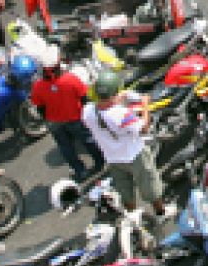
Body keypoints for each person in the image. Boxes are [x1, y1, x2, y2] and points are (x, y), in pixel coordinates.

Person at [82, 72, 174, 224]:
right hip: (135, 155)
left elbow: (91, 121)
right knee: (150, 186)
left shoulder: (88, 111)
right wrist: (145, 104)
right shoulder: (120, 114)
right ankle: (161, 212)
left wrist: (117, 99)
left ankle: (133, 219)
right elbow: (143, 127)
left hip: (113, 158)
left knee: (125, 191)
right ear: (113, 94)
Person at [31, 47, 103, 179]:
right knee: (88, 141)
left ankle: (80, 171)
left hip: (54, 122)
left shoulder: (38, 86)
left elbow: (40, 107)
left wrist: (49, 119)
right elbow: (84, 99)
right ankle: (99, 163)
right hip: (76, 119)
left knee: (66, 148)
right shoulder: (71, 79)